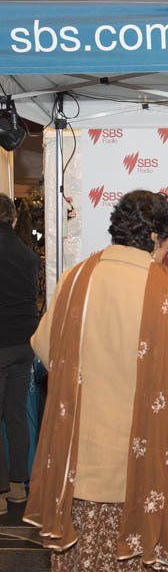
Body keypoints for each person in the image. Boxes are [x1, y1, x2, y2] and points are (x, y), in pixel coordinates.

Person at [24, 190, 168, 572]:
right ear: (155, 238)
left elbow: (44, 348)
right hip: (140, 472)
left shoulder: (76, 280)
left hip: (78, 465)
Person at [0, 193, 40, 515]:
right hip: (23, 346)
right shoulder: (29, 257)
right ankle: (17, 489)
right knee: (16, 417)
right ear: (12, 219)